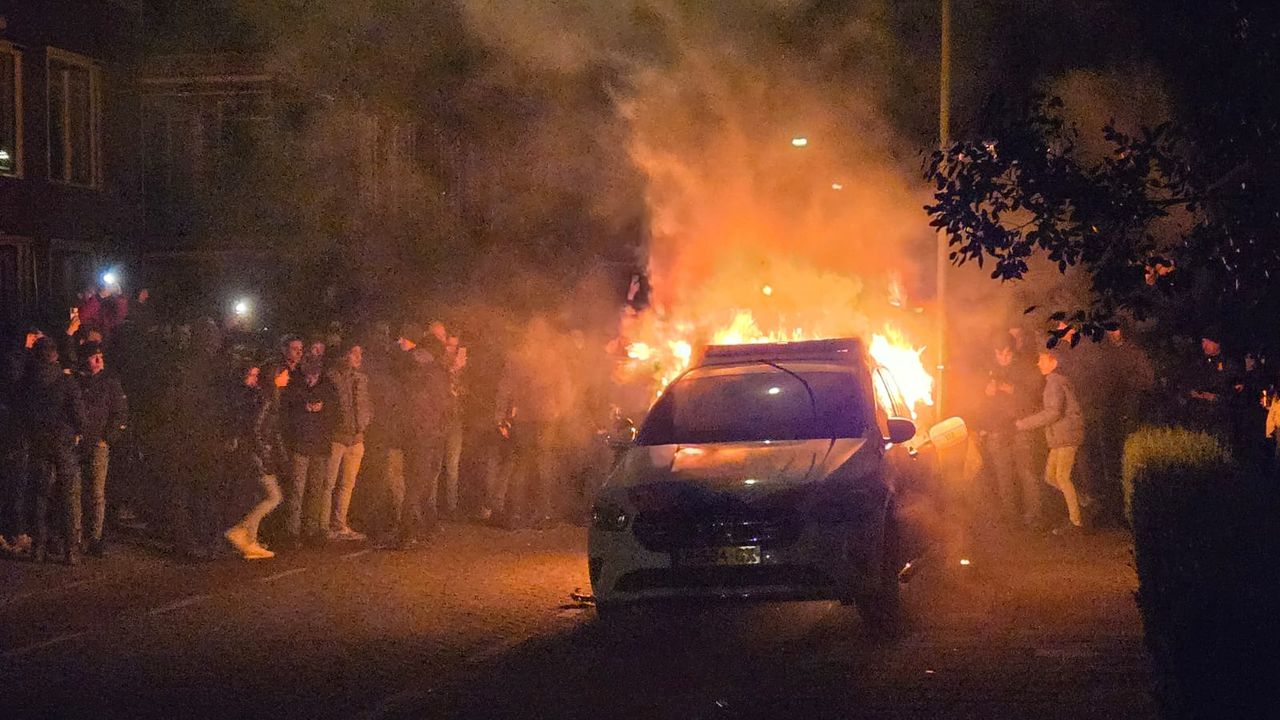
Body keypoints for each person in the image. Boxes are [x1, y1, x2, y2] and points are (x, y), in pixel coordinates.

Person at [23, 336, 87, 564]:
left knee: (40, 495)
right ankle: (70, 548)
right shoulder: (66, 382)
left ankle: (38, 547)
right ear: (55, 355)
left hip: (40, 441)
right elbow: (79, 414)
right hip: (63, 442)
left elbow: (23, 412)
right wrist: (79, 432)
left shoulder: (29, 383)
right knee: (68, 495)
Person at [387, 323, 449, 549]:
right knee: (418, 483)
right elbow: (442, 404)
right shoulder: (435, 372)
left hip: (409, 432)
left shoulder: (406, 366)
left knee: (412, 481)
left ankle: (413, 529)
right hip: (427, 433)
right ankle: (408, 532)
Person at [1016, 350, 1086, 535]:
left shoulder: (1054, 382)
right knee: (1051, 477)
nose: (1039, 363)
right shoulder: (1056, 381)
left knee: (1061, 477)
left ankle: (1076, 521)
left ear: (1053, 361)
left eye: (1042, 360)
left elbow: (1053, 412)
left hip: (1065, 436)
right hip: (1060, 437)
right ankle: (1081, 504)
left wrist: (1025, 424)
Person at [977, 341, 1043, 530]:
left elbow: (1033, 398)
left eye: (1007, 354)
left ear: (1013, 352)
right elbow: (979, 404)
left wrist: (1010, 389)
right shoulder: (988, 371)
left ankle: (1034, 516)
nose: (1003, 358)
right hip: (997, 430)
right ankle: (1010, 517)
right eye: (999, 354)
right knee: (1003, 476)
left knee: (1027, 473)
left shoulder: (1025, 368)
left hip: (1020, 428)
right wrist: (986, 394)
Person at [222, 363, 285, 560]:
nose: (287, 377)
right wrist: (264, 456)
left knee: (261, 497)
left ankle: (250, 541)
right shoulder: (266, 399)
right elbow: (256, 429)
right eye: (282, 374)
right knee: (274, 497)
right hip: (258, 455)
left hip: (258, 453)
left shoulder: (265, 397)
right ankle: (241, 530)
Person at [76, 342, 128, 557]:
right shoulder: (76, 381)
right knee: (75, 491)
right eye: (93, 356)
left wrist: (106, 439)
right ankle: (75, 536)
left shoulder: (110, 382)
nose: (98, 360)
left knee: (96, 492)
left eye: (100, 356)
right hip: (77, 444)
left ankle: (95, 537)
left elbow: (120, 413)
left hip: (98, 445)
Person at [281, 355, 338, 547]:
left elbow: (336, 414)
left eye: (313, 375)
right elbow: (286, 413)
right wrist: (303, 407)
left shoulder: (328, 387)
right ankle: (292, 532)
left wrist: (324, 408)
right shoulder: (294, 384)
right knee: (297, 490)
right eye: (308, 375)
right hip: (301, 444)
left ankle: (311, 530)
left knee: (316, 490)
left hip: (320, 446)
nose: (310, 379)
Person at [324, 343, 372, 540]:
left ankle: (339, 524)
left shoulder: (361, 379)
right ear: (344, 355)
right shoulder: (332, 378)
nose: (359, 357)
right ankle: (323, 526)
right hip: (337, 437)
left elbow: (368, 403)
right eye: (354, 353)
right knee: (329, 484)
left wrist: (365, 421)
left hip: (356, 438)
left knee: (347, 484)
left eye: (361, 353)